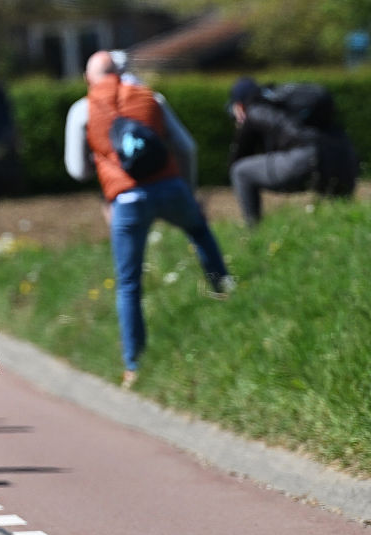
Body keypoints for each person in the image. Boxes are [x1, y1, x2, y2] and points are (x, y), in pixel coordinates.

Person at [64, 51, 233, 389]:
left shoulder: (82, 109)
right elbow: (187, 147)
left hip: (126, 200)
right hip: (170, 187)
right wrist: (189, 192)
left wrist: (103, 164)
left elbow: (77, 171)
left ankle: (134, 366)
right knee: (199, 230)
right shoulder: (151, 97)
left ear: (89, 78)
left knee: (128, 284)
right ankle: (225, 289)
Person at [227, 77, 359, 227]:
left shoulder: (255, 110)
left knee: (240, 171)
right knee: (341, 221)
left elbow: (240, 154)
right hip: (343, 158)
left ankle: (253, 233)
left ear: (239, 105)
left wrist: (242, 126)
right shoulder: (286, 101)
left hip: (307, 159)